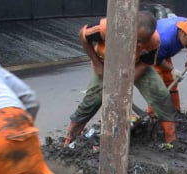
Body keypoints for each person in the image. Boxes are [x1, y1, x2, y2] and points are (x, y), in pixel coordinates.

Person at [64, 11, 180, 148]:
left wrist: (125, 83)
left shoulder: (154, 41)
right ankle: (70, 140)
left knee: (161, 95)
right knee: (92, 101)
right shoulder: (108, 27)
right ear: (129, 27)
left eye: (142, 41)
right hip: (106, 64)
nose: (138, 44)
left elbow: (145, 64)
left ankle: (171, 139)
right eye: (137, 39)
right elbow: (83, 35)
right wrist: (97, 63)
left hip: (135, 64)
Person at [146, 16, 187, 116]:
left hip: (164, 53)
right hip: (152, 54)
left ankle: (176, 113)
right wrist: (172, 69)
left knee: (171, 82)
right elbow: (158, 59)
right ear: (182, 33)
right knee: (157, 87)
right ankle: (154, 117)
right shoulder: (165, 38)